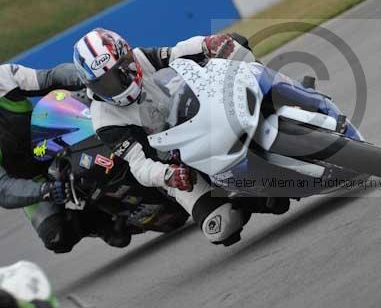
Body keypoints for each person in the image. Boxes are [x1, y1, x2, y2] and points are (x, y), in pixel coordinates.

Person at [73, 28, 256, 245]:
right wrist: (168, 175)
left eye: (120, 72)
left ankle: (283, 95)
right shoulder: (103, 120)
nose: (118, 84)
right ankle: (253, 199)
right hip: (176, 162)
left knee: (235, 44)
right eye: (106, 83)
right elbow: (138, 166)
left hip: (198, 117)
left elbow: (178, 51)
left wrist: (206, 43)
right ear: (91, 86)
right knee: (222, 227)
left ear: (128, 58)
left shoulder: (141, 58)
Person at [0, 63, 123, 253]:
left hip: (55, 142)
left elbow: (51, 78)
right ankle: (95, 220)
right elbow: (3, 189)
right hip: (31, 179)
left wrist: (86, 79)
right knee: (56, 237)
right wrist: (44, 190)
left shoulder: (3, 75)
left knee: (107, 128)